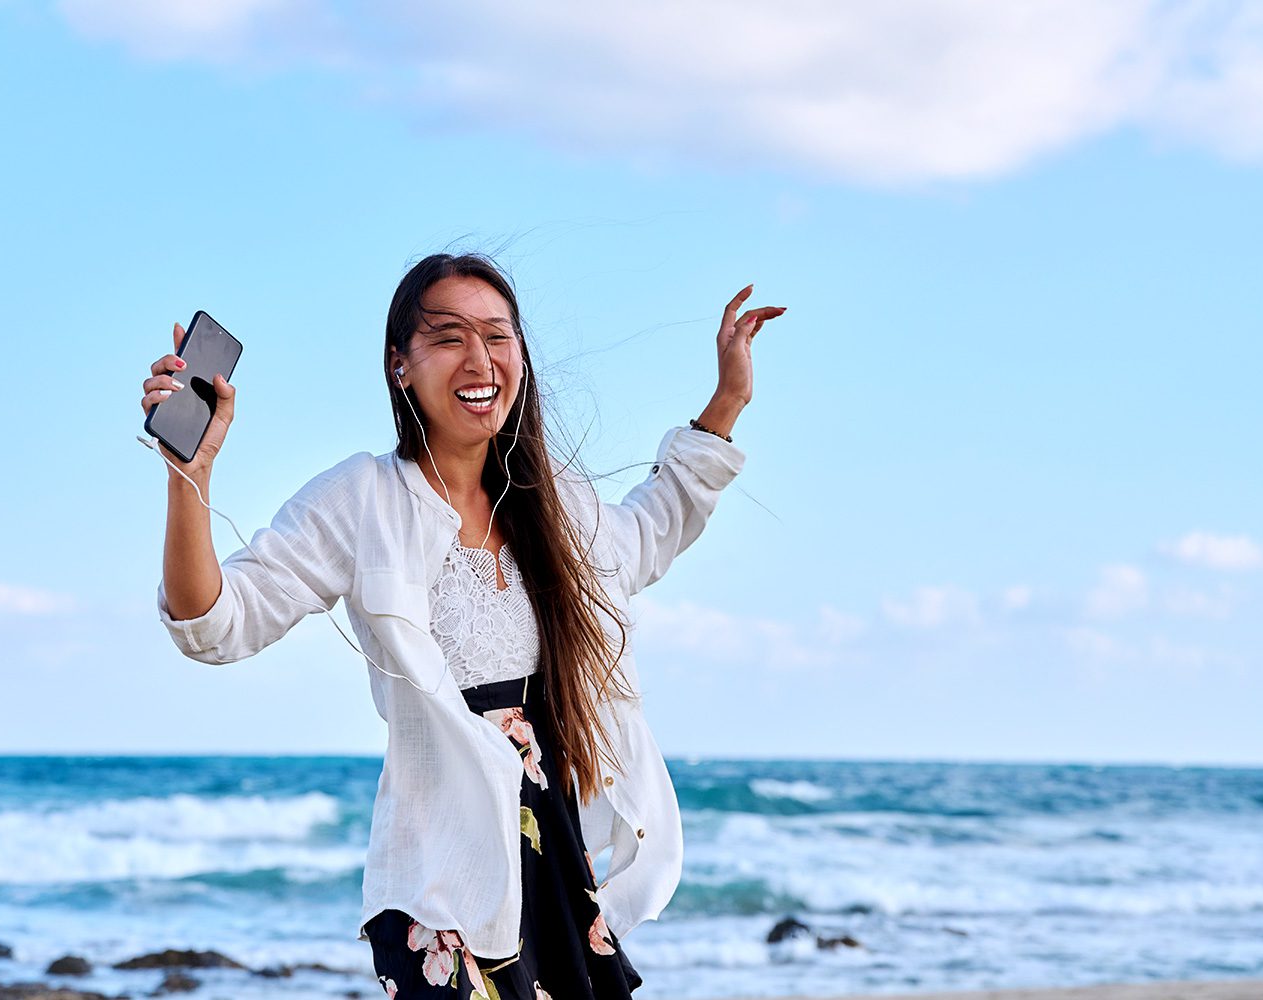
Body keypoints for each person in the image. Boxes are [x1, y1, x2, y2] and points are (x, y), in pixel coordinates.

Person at [145, 252, 784, 998]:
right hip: (436, 883)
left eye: (497, 336)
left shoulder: (556, 505)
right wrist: (189, 473)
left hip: (554, 869)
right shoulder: (362, 500)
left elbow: (651, 530)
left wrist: (728, 401)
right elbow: (215, 625)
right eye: (448, 336)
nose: (479, 360)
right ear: (400, 365)